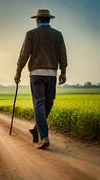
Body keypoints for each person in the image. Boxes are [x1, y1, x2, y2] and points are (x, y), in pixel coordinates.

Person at [14, 9, 68, 149]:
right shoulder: (57, 35)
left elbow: (24, 55)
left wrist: (18, 72)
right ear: (49, 20)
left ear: (37, 20)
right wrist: (63, 72)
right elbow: (63, 54)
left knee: (40, 104)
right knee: (48, 103)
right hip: (52, 74)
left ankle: (37, 131)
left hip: (36, 74)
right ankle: (44, 136)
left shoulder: (31, 34)